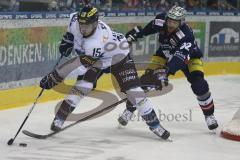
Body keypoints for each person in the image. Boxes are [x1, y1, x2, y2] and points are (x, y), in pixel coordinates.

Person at [39, 5, 171, 140]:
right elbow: (71, 32)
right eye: (81, 24)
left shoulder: (95, 43)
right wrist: (68, 39)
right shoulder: (74, 19)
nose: (82, 28)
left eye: (87, 25)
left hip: (119, 56)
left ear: (95, 23)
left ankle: (155, 125)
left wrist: (55, 76)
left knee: (134, 92)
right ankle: (59, 118)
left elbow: (78, 66)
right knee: (83, 86)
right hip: (99, 58)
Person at [118, 5, 218, 131]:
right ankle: (129, 110)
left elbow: (180, 58)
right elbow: (149, 28)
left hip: (189, 58)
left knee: (200, 85)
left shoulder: (187, 35)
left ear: (181, 22)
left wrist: (166, 71)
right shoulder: (161, 21)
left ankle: (209, 116)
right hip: (164, 53)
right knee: (144, 82)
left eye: (174, 22)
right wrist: (136, 35)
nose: (170, 24)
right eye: (169, 20)